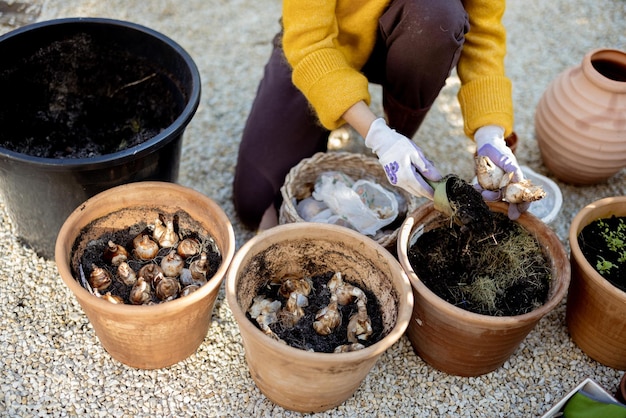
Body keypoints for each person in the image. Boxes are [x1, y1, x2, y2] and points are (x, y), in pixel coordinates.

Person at [233, 0, 528, 231]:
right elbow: (307, 41)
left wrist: (489, 133)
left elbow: (483, 33)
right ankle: (374, 133)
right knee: (255, 201)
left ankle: (399, 143)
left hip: (416, 31)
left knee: (436, 16)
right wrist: (376, 134)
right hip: (324, 42)